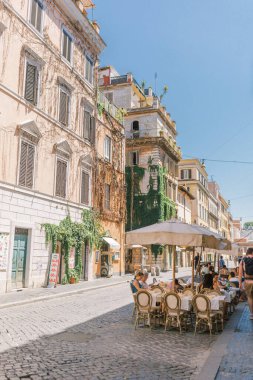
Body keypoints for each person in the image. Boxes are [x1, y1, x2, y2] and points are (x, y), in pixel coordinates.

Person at [239, 248, 253, 319]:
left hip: (247, 281)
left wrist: (240, 283)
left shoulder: (242, 260)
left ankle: (251, 314)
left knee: (250, 298)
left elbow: (240, 273)